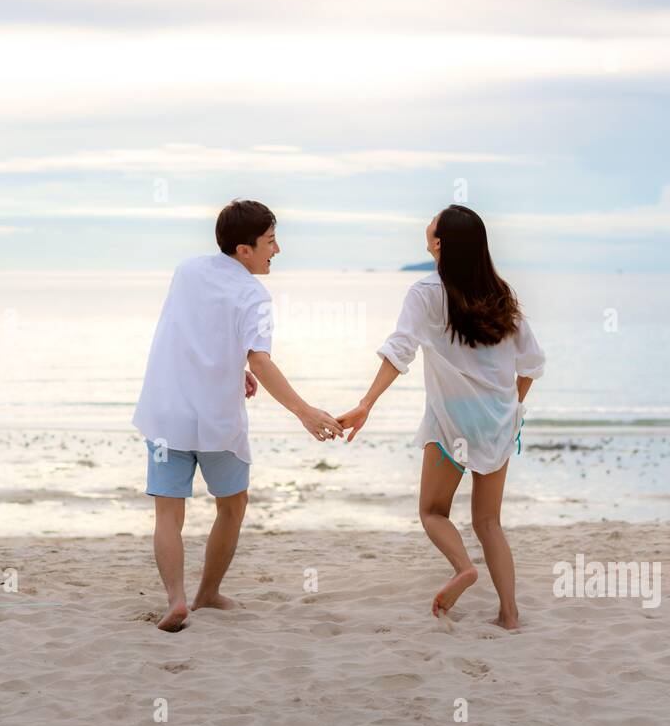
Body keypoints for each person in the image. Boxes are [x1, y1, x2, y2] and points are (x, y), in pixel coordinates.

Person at [132, 199, 343, 632]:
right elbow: (260, 360)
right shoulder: (254, 295)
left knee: (168, 514)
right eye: (270, 241)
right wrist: (304, 412)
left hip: (167, 411)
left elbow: (191, 333)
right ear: (243, 250)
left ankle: (176, 600)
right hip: (216, 421)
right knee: (232, 506)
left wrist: (235, 368)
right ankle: (206, 593)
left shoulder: (187, 270)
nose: (277, 250)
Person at [337, 205, 545, 629]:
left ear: (439, 243)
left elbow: (400, 350)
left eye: (432, 223)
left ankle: (463, 568)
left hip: (451, 421)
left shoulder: (426, 291)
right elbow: (532, 365)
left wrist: (366, 403)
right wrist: (511, 407)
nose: (427, 224)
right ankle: (509, 614)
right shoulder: (502, 293)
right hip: (498, 421)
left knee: (433, 511)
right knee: (489, 522)